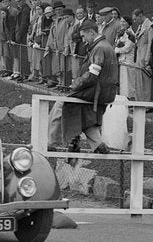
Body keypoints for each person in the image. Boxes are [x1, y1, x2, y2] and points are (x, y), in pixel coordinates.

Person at [46, 20, 118, 154]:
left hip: (96, 91)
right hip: (105, 91)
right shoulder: (106, 46)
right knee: (85, 113)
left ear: (91, 32)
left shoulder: (99, 48)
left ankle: (50, 142)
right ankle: (98, 145)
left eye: (84, 36)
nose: (83, 40)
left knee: (61, 104)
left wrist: (76, 84)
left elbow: (92, 74)